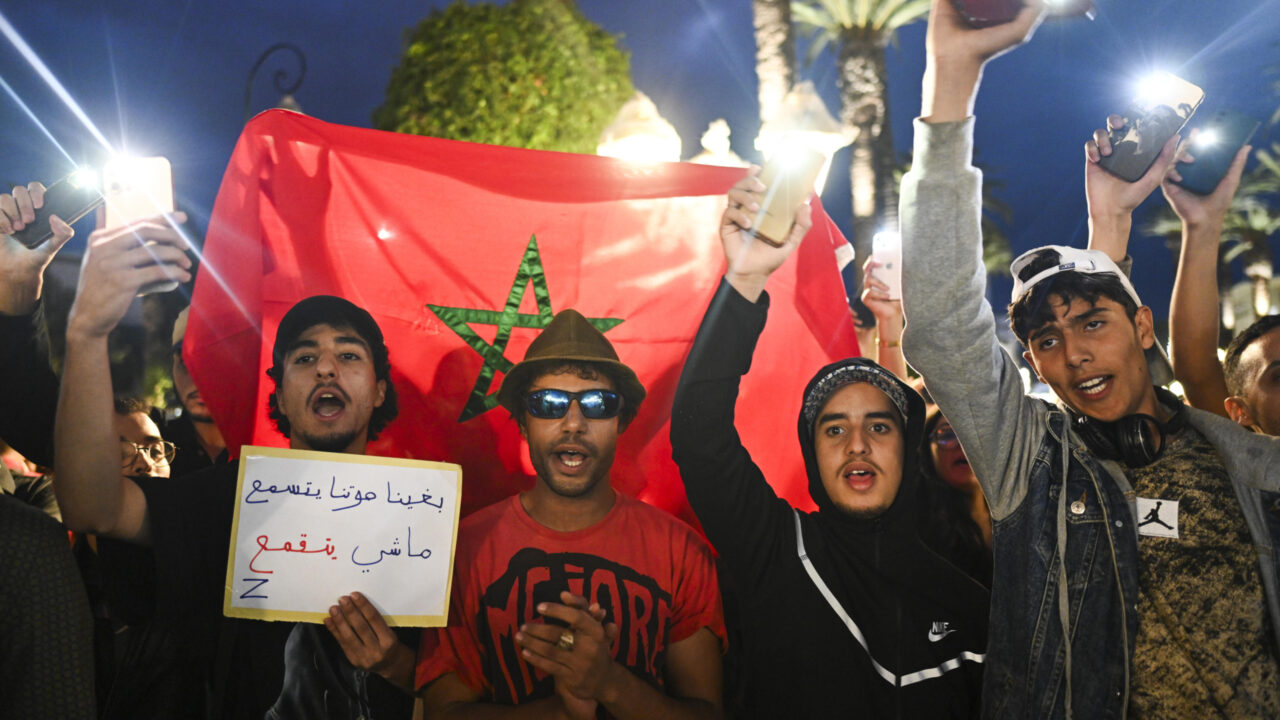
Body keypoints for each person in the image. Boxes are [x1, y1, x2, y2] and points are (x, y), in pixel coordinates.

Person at [899, 0, 1280, 716]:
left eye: (1093, 323)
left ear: (1142, 325)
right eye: (1046, 340)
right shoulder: (1033, 470)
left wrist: (1117, 216)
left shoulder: (1247, 461)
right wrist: (952, 76)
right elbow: (945, 327)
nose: (1073, 355)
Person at [51, 210, 415, 719]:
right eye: (304, 358)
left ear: (378, 390)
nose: (327, 367)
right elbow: (93, 510)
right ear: (281, 398)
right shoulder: (234, 497)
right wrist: (85, 334)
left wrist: (398, 666)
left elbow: (461, 687)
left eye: (349, 356)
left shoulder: (426, 515)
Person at [669, 171, 989, 718]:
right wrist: (744, 279)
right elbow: (699, 435)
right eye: (834, 428)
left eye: (880, 427)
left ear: (909, 449)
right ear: (812, 454)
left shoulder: (970, 599)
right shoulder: (777, 550)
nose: (857, 444)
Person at [417, 308, 726, 719]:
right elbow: (443, 713)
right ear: (524, 424)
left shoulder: (681, 550)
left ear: (620, 422)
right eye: (549, 403)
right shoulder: (464, 551)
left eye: (598, 403)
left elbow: (709, 713)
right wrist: (563, 711)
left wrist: (608, 682)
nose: (573, 423)